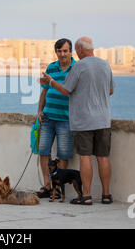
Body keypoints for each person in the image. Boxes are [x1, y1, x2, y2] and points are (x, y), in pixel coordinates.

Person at [40, 37, 114, 205]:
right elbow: (110, 90)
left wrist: (51, 81)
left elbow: (65, 90)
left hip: (84, 120)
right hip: (103, 120)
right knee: (103, 157)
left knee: (85, 157)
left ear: (79, 50)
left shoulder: (79, 66)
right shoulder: (105, 64)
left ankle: (86, 196)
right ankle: (106, 195)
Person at [35, 38, 76, 199]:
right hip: (47, 117)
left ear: (70, 51)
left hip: (66, 119)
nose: (62, 54)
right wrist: (39, 111)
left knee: (63, 154)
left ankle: (57, 189)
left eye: (65, 51)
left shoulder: (76, 68)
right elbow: (44, 91)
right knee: (43, 151)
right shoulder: (51, 67)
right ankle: (46, 186)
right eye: (59, 51)